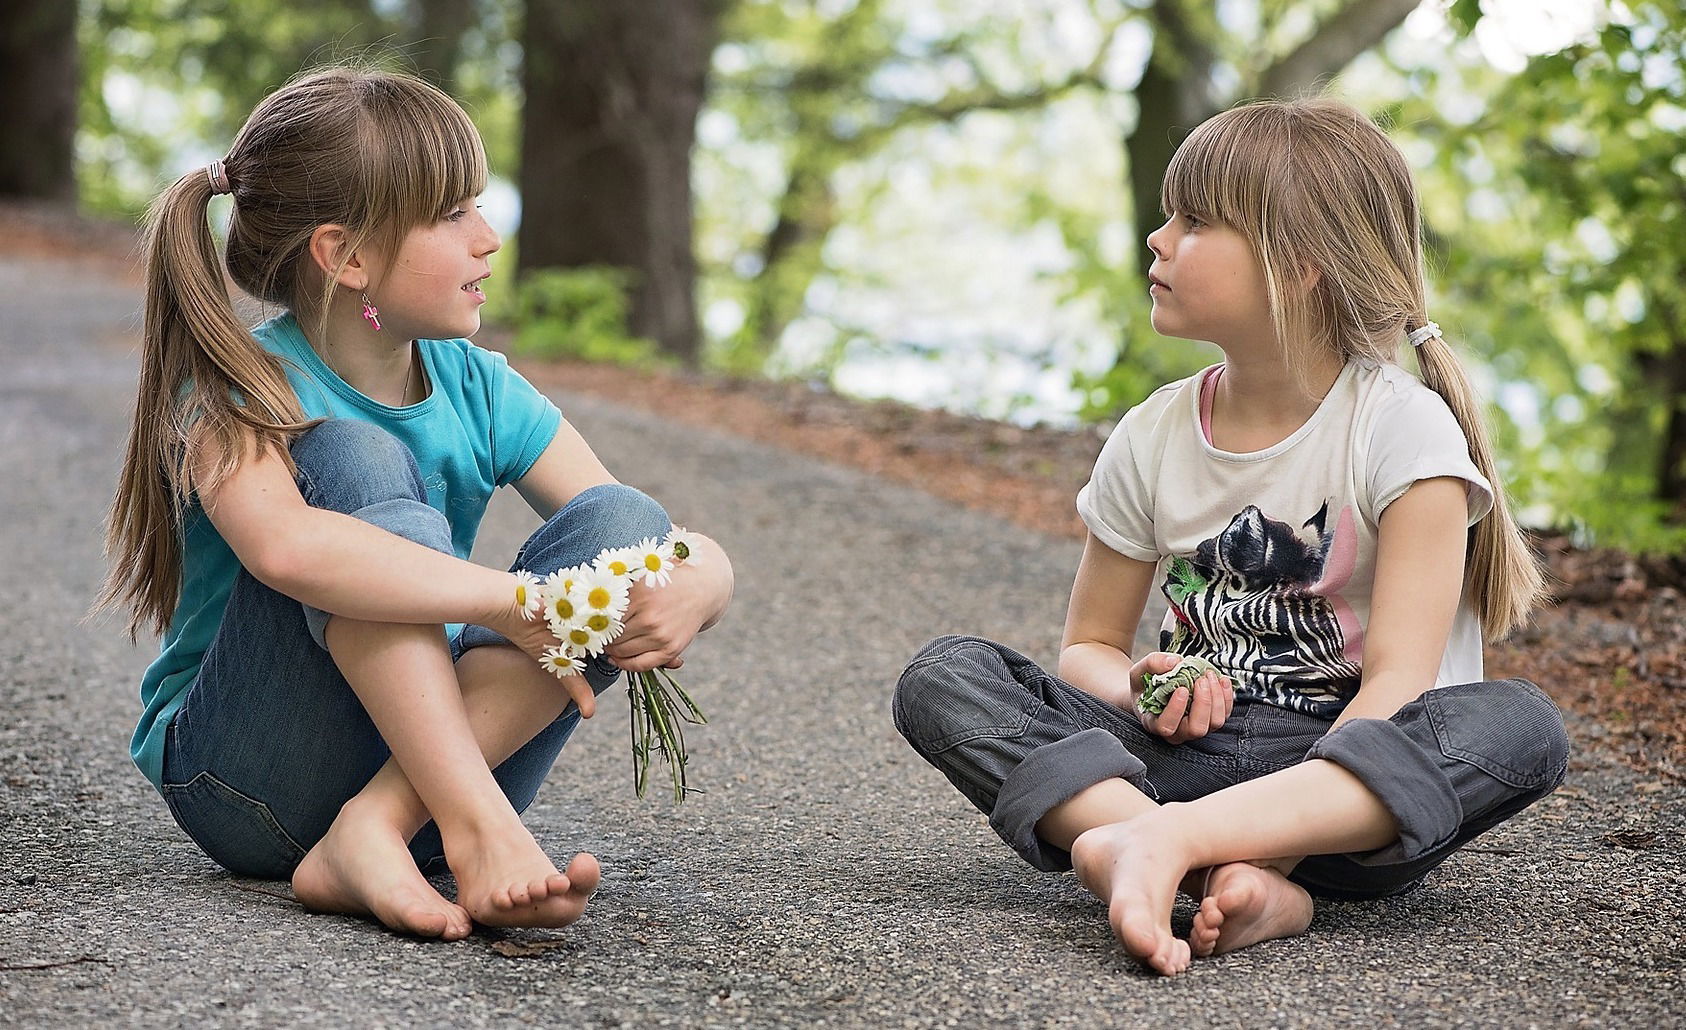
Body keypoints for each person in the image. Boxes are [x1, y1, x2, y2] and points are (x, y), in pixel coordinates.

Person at [892, 97, 1568, 976]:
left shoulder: (1403, 433)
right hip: (1173, 762)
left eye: (1196, 221)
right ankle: (1172, 853)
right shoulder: (1155, 431)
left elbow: (1398, 687)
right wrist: (1143, 687)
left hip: (1342, 801)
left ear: (1300, 267)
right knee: (947, 677)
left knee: (1519, 726)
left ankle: (1147, 848)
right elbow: (1090, 646)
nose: (1158, 239)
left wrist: (1270, 848)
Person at [95, 66, 735, 941]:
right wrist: (513, 603)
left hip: (428, 778)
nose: (489, 239)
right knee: (354, 455)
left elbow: (635, 530)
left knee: (623, 524)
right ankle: (471, 824)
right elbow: (286, 552)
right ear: (346, 256)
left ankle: (380, 827)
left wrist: (705, 578)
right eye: (450, 214)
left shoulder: (478, 386)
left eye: (478, 205)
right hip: (251, 781)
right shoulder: (235, 388)